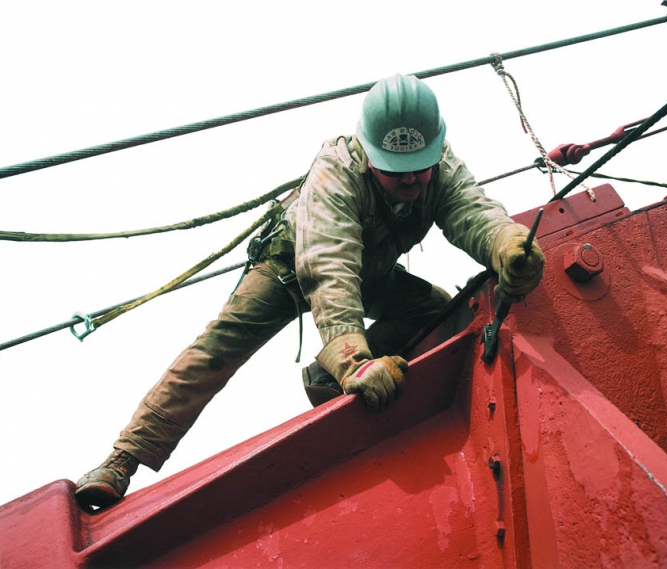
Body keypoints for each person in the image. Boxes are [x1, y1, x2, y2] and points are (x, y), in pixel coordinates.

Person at [74, 74, 545, 509]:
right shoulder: (335, 172)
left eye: (419, 168)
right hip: (292, 266)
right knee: (220, 347)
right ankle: (122, 460)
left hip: (369, 269)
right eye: (396, 169)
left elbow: (473, 214)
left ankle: (325, 375)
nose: (411, 180)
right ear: (368, 154)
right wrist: (353, 359)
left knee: (434, 309)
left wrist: (508, 247)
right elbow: (329, 268)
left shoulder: (440, 168)